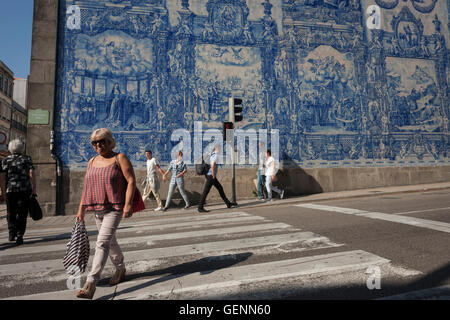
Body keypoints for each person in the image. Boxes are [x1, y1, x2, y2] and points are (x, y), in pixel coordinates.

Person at [75, 128, 136, 299]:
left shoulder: (119, 158)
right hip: (97, 209)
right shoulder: (92, 161)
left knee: (102, 242)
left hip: (114, 208)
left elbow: (131, 180)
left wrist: (128, 204)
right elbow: (87, 187)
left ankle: (90, 283)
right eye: (94, 142)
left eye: (102, 141)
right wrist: (81, 209)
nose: (98, 145)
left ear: (110, 142)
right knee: (110, 242)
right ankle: (120, 268)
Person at [0, 139, 36, 245]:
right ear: (22, 148)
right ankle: (20, 234)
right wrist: (34, 188)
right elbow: (31, 173)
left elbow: (2, 178)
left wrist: (2, 191)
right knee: (22, 212)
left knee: (10, 212)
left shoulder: (5, 160)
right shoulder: (27, 158)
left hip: (10, 190)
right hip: (24, 189)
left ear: (10, 148)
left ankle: (12, 233)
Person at [198, 145, 237, 213]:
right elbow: (213, 165)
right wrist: (213, 175)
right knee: (206, 191)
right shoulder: (215, 155)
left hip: (210, 175)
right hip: (211, 176)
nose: (221, 150)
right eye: (220, 149)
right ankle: (200, 207)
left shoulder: (212, 154)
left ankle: (228, 203)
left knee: (220, 188)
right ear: (218, 149)